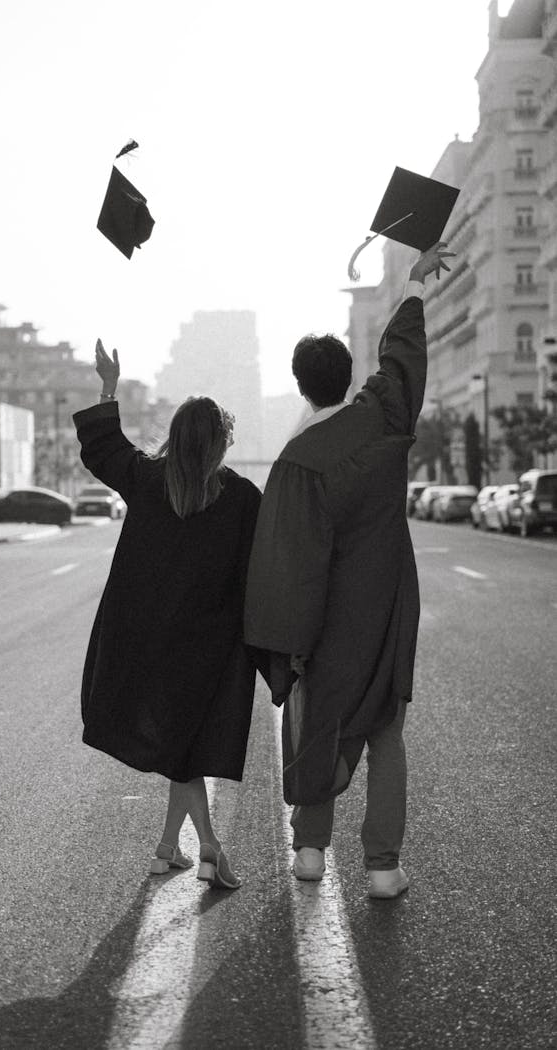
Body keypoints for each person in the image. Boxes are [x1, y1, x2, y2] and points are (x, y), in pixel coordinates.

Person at [244, 241, 455, 896]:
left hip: (329, 621)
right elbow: (401, 362)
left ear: (302, 385)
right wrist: (415, 286)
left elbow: (290, 562)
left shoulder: (297, 460)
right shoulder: (384, 421)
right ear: (348, 372)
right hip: (389, 606)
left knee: (323, 727)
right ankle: (383, 868)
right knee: (386, 732)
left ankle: (310, 852)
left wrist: (291, 649)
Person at [73, 339, 263, 890]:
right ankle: (208, 848)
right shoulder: (243, 498)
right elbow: (262, 572)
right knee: (187, 750)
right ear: (223, 442)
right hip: (207, 647)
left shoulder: (147, 481)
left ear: (176, 438)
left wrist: (109, 388)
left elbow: (103, 449)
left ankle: (167, 849)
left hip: (146, 638)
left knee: (186, 748)